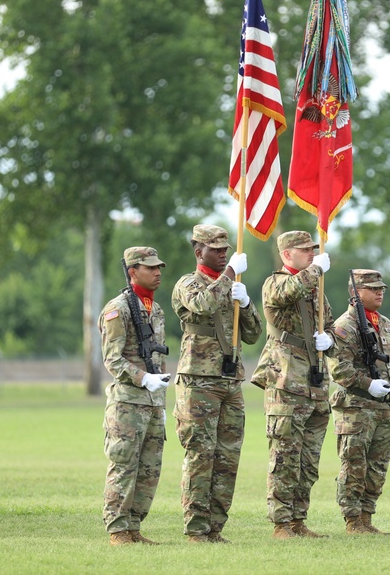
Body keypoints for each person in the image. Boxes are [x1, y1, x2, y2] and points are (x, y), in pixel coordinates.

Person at [171, 224, 263, 544]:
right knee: (201, 455)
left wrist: (247, 301)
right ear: (199, 252)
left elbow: (252, 334)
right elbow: (202, 305)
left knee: (227, 459)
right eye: (216, 249)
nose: (224, 253)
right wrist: (228, 278)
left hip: (230, 380)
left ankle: (215, 528)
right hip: (198, 381)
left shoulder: (231, 285)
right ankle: (196, 529)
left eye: (226, 249)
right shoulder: (188, 284)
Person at [250, 230, 335, 539]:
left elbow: (328, 320)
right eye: (304, 250)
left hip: (314, 379)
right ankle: (282, 523)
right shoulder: (275, 282)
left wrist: (332, 339)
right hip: (286, 380)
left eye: (313, 249)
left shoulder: (316, 287)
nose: (312, 253)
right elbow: (287, 293)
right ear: (287, 255)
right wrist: (315, 271)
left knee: (308, 460)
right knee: (285, 457)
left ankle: (299, 520)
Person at [99, 246, 173, 546]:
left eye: (158, 267)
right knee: (124, 465)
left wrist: (161, 398)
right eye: (150, 268)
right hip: (128, 403)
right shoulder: (118, 308)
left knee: (149, 469)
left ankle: (133, 527)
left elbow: (157, 356)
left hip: (152, 403)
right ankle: (118, 529)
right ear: (133, 272)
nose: (157, 273)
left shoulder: (154, 309)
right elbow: (112, 359)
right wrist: (144, 379)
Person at [328, 269, 390, 535]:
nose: (380, 292)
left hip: (383, 407)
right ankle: (353, 520)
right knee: (354, 465)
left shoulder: (386, 323)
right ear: (356, 293)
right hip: (356, 407)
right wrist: (369, 384)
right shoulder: (345, 326)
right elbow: (339, 369)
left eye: (382, 288)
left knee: (378, 466)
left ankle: (367, 517)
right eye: (374, 288)